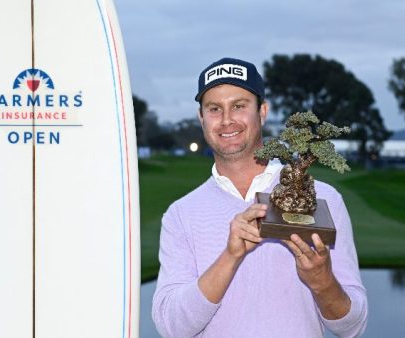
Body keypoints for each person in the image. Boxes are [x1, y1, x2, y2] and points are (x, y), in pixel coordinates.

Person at [152, 58, 368, 337]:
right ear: (201, 118)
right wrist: (230, 256)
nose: (227, 119)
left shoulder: (323, 199)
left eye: (239, 106)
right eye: (215, 108)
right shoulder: (180, 214)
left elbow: (353, 326)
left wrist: (322, 282)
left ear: (262, 111)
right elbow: (172, 327)